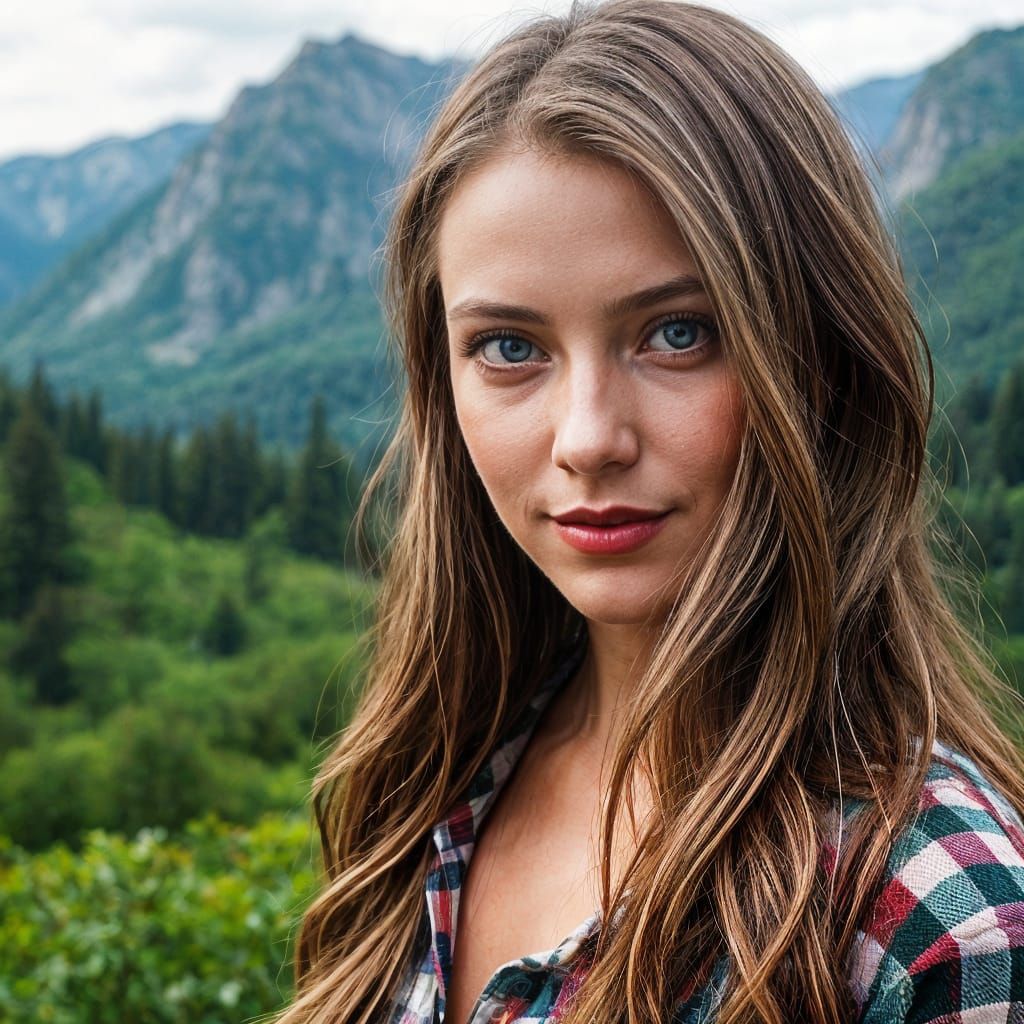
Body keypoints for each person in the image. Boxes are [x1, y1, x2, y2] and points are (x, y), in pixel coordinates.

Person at [272, 1, 1024, 1021]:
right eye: (508, 348)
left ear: (824, 359)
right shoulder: (430, 783)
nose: (588, 438)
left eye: (678, 333)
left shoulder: (938, 923)